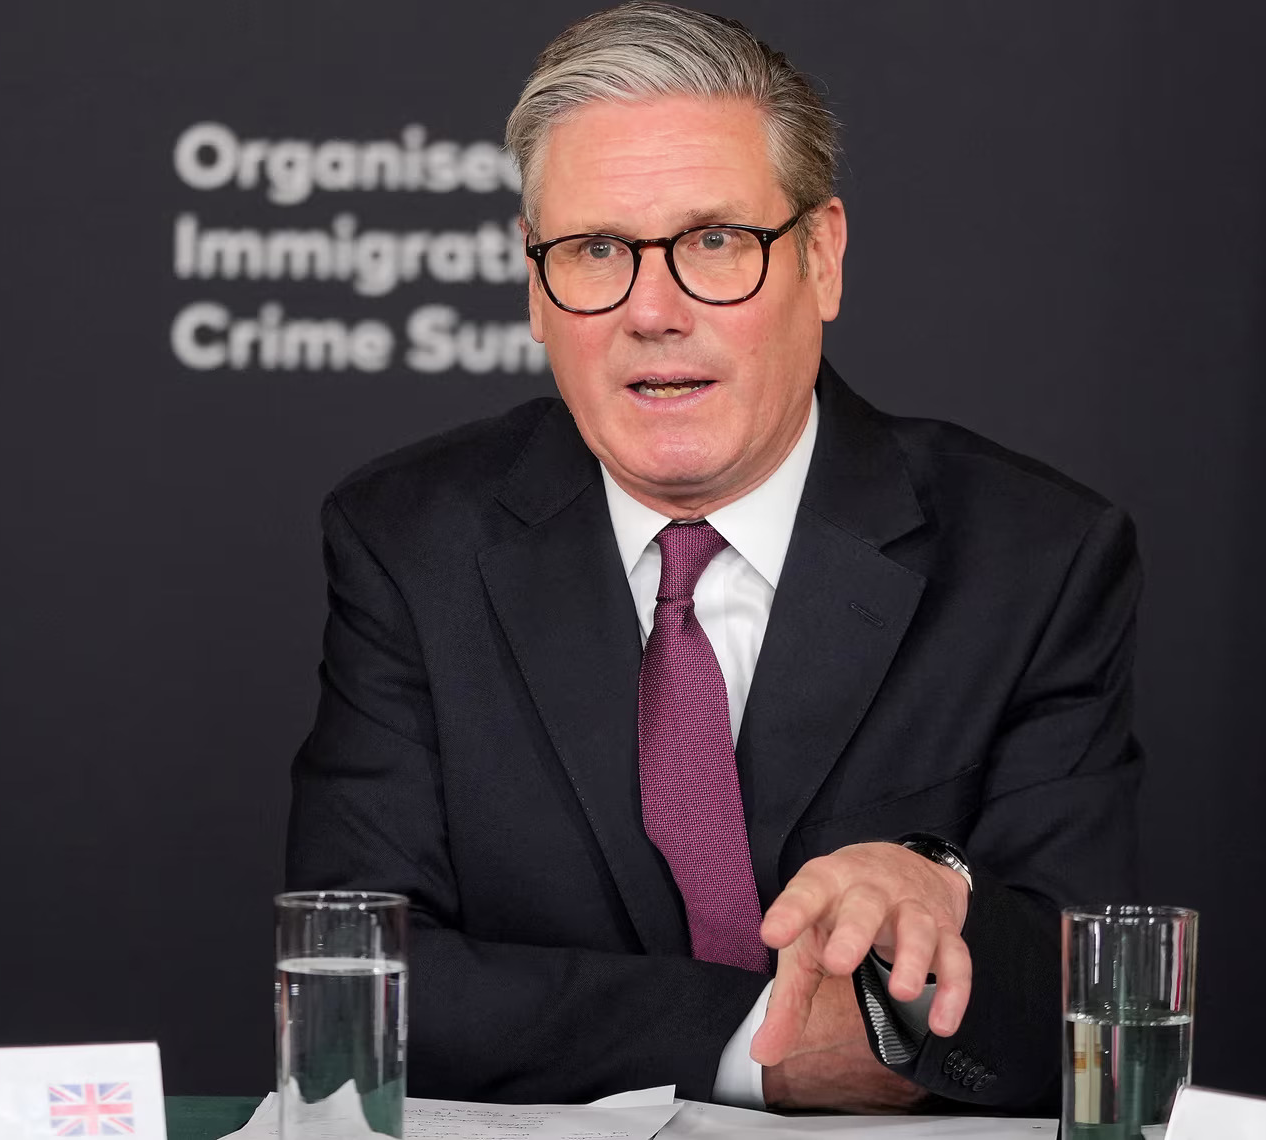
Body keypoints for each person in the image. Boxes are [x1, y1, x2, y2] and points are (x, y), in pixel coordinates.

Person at [286, 1, 1142, 1115]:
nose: (653, 310)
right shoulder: (409, 541)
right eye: (596, 250)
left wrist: (939, 888)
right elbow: (359, 975)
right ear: (535, 286)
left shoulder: (1034, 557)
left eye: (714, 243)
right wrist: (757, 1047)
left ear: (821, 258)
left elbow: (1087, 1000)